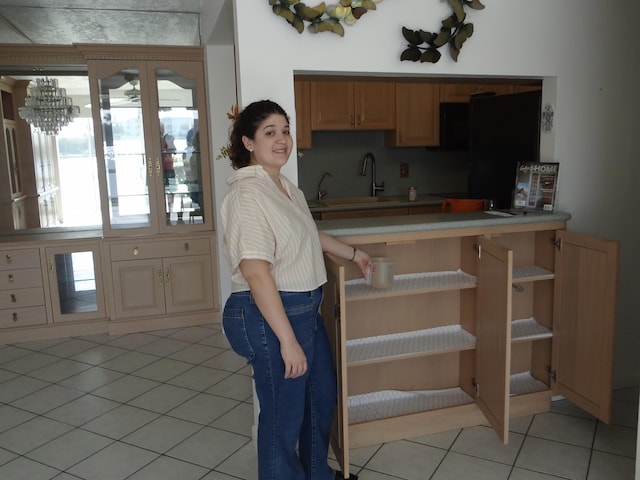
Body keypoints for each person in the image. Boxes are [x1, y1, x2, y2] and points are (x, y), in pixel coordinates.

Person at [220, 100, 370, 480]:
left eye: (285, 130)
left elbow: (307, 234)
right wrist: (287, 342)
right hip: (269, 315)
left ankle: (315, 473)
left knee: (320, 398)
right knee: (282, 419)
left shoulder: (285, 187)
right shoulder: (246, 195)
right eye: (270, 132)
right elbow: (255, 272)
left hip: (304, 309)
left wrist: (355, 255)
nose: (282, 139)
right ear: (248, 142)